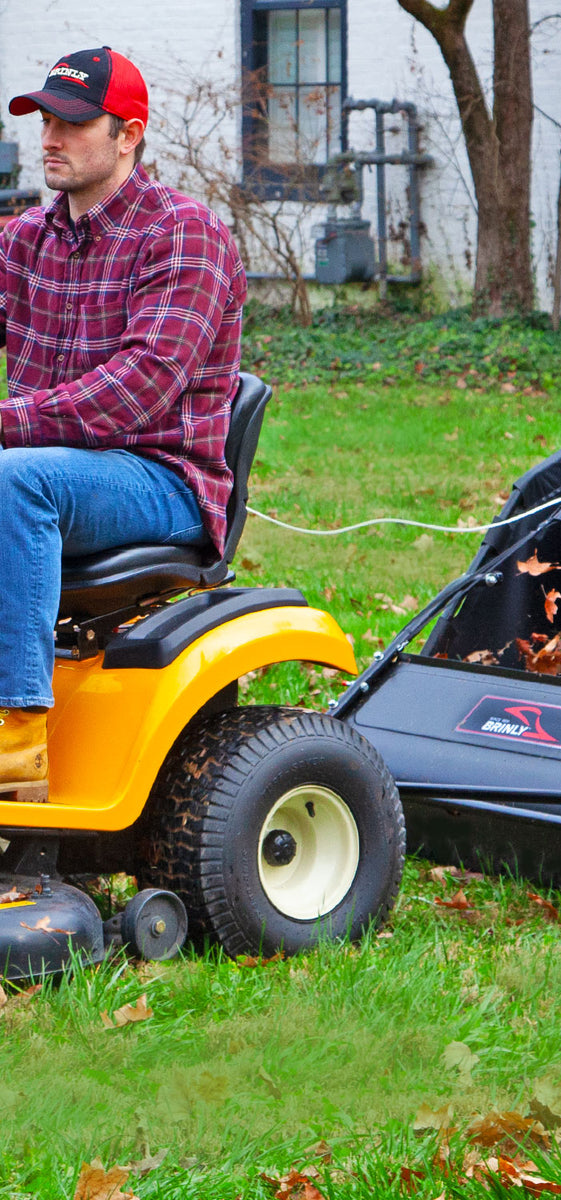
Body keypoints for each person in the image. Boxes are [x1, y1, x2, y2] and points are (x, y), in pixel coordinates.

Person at [0, 47, 247, 800]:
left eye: (73, 123)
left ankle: (16, 754)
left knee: (14, 481)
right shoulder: (24, 241)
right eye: (45, 119)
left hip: (160, 478)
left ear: (128, 134)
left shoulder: (186, 236)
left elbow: (136, 391)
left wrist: (8, 423)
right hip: (55, 473)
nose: (50, 138)